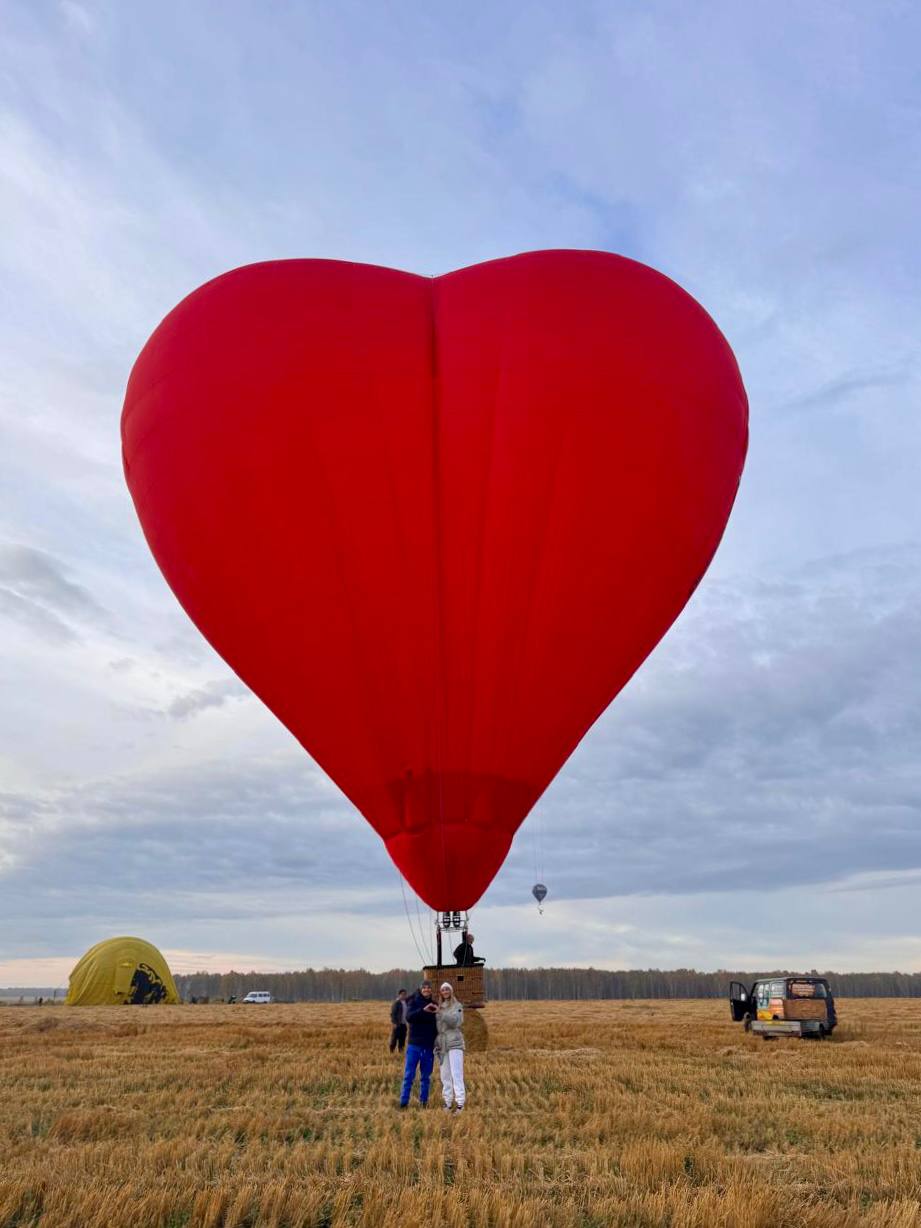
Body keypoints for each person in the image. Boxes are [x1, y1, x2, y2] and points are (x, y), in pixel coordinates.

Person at [399, 981, 438, 1108]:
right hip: (414, 1045)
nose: (426, 989)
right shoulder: (414, 1002)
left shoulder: (435, 1005)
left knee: (426, 1076)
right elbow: (409, 1017)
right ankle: (404, 1102)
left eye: (428, 988)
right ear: (420, 989)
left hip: (428, 1046)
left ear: (431, 990)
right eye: (424, 987)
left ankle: (423, 1102)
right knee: (409, 1075)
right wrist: (423, 1010)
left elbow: (437, 1026)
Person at [435, 981, 466, 1113]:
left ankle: (460, 1103)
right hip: (442, 1045)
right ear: (441, 992)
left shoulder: (457, 1006)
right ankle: (447, 1102)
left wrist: (441, 1014)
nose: (445, 991)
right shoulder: (438, 1007)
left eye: (447, 989)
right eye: (443, 989)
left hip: (454, 1044)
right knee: (445, 1075)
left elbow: (455, 1022)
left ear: (451, 991)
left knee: (456, 1074)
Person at [389, 988, 408, 1053]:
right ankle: (391, 1051)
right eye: (402, 994)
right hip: (397, 1024)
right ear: (399, 995)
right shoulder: (396, 1003)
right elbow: (393, 1014)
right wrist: (394, 1023)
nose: (404, 996)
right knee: (394, 1039)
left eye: (405, 994)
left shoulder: (406, 1002)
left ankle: (401, 1051)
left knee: (402, 1039)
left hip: (404, 1024)